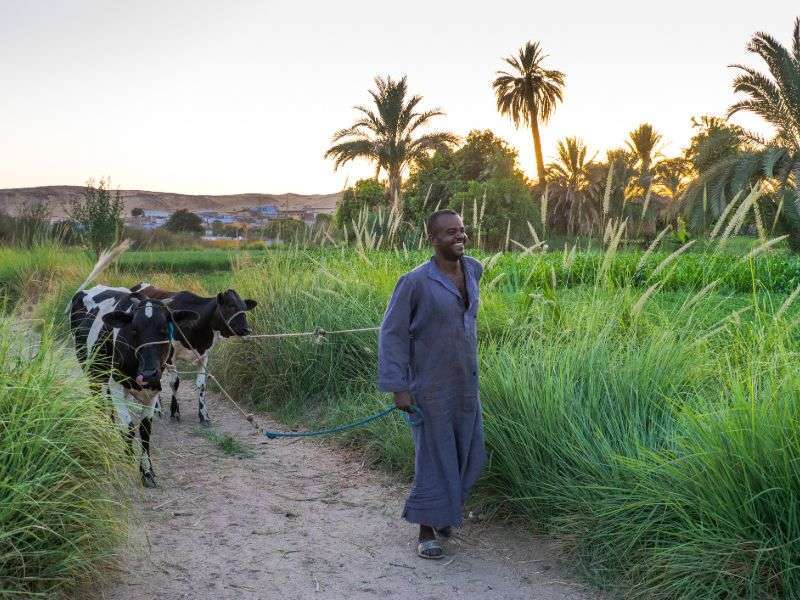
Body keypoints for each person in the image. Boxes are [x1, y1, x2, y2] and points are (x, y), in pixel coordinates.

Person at [378, 209, 486, 559]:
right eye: (450, 232)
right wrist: (399, 387)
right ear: (433, 239)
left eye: (462, 231)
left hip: (466, 382)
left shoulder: (473, 271)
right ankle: (427, 530)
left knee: (470, 454)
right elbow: (392, 334)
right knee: (433, 457)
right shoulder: (415, 282)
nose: (459, 236)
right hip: (429, 386)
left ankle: (445, 514)